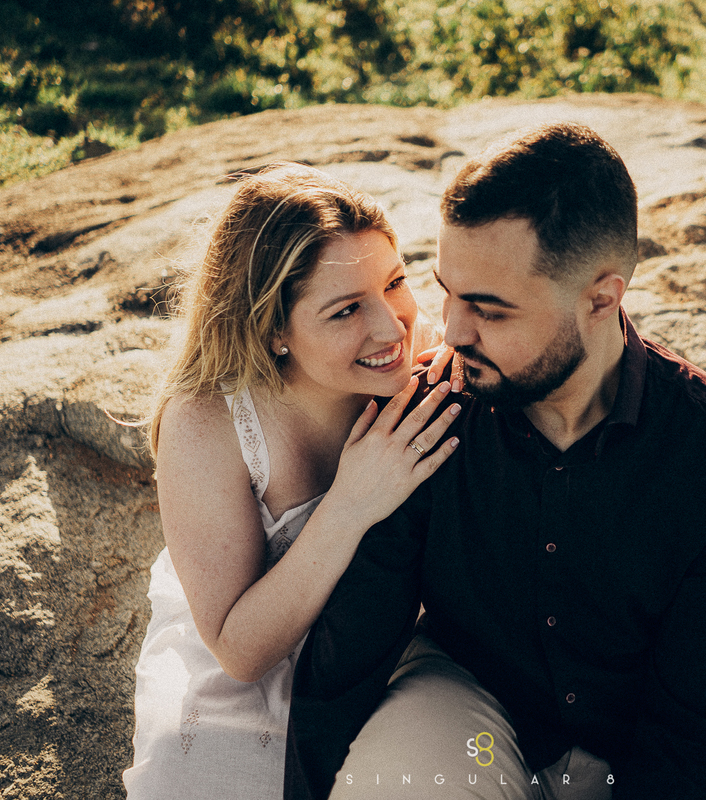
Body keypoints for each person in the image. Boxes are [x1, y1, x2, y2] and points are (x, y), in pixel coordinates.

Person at [285, 123, 706, 799]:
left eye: (489, 309)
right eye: (449, 293)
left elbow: (699, 729)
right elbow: (349, 661)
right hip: (463, 704)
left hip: (624, 748)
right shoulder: (425, 414)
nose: (450, 331)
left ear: (601, 299)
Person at [122, 163, 462, 798]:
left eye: (394, 283)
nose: (392, 327)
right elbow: (239, 652)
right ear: (274, 329)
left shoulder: (425, 371)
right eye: (344, 311)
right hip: (247, 676)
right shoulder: (208, 423)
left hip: (381, 657)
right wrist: (352, 502)